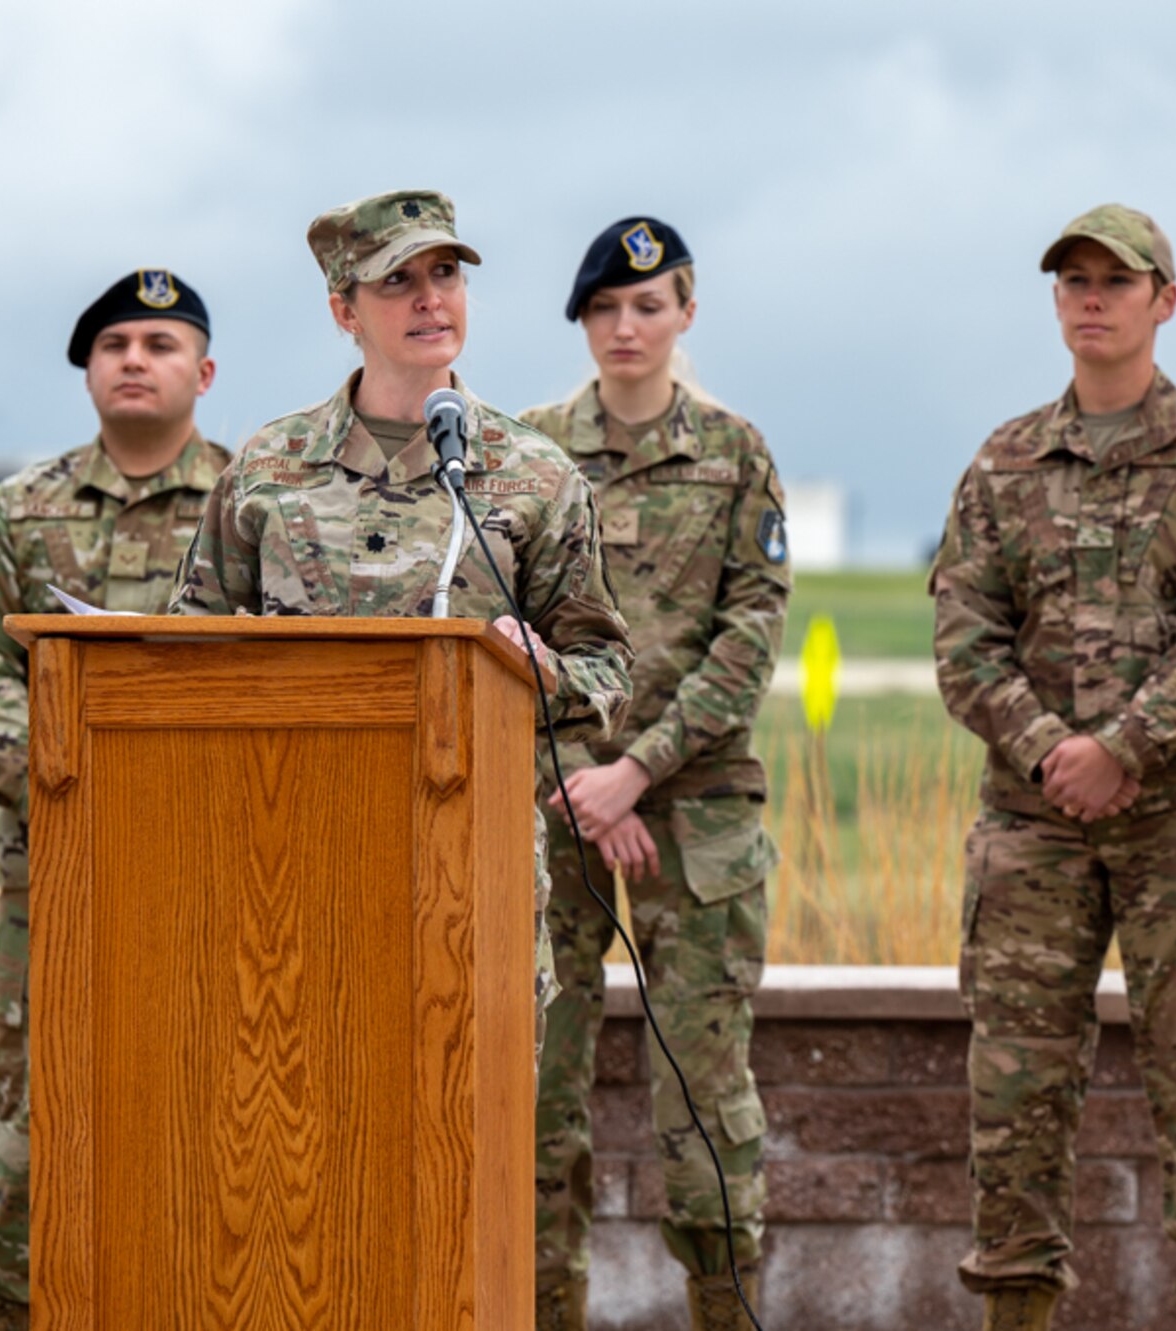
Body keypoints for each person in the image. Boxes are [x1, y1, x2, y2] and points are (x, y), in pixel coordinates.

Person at [169, 189, 634, 1065]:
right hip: (290, 869)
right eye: (398, 281)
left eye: (446, 273)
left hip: (471, 873)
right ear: (345, 310)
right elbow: (184, 655)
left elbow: (605, 667)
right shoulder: (269, 471)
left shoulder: (534, 475)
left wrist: (545, 675)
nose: (431, 298)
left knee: (466, 1161)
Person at [929, 204, 1176, 1331]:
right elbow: (963, 639)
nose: (1089, 297)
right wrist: (1051, 754)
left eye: (1114, 281)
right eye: (1071, 280)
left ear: (1161, 302)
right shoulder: (1002, 460)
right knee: (1016, 1095)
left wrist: (1121, 748)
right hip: (1034, 826)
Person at [0, 269, 231, 1331]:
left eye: (159, 341)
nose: (135, 359)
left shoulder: (258, 509)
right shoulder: (15, 517)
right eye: (114, 344)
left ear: (204, 369)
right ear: (88, 373)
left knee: (216, 1122)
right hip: (59, 871)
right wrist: (65, 783)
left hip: (220, 877)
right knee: (42, 1122)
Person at [521, 217, 788, 1331]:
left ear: (685, 312)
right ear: (582, 321)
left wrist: (636, 771)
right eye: (603, 309)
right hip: (551, 808)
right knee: (539, 1096)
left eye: (646, 306)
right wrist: (585, 776)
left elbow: (750, 634)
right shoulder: (527, 453)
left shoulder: (734, 453)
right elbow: (501, 625)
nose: (623, 327)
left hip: (696, 809)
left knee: (703, 1103)